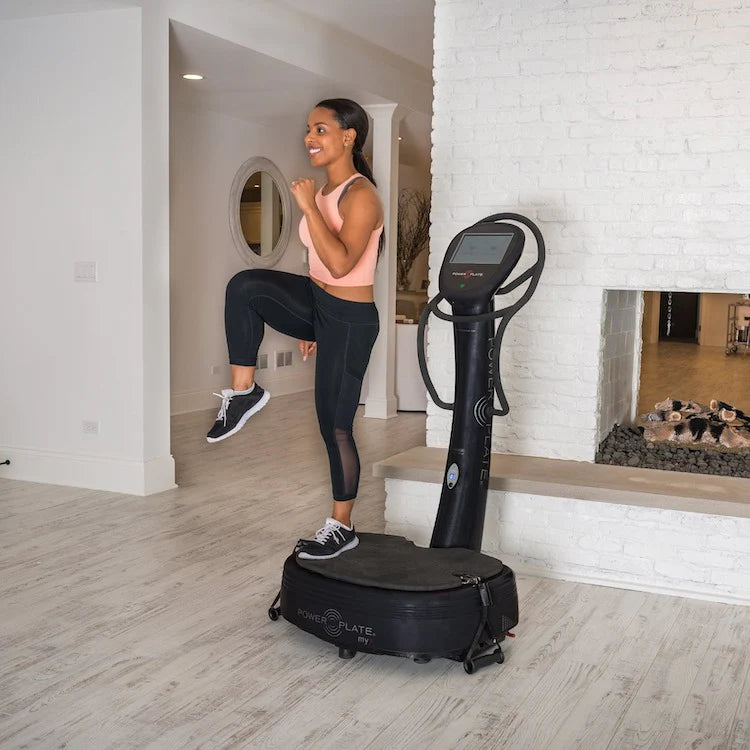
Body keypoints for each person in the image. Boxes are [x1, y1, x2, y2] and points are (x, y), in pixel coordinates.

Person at [206, 98, 384, 561]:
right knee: (244, 287)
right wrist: (306, 317)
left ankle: (341, 526)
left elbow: (343, 263)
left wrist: (308, 208)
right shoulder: (325, 191)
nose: (310, 137)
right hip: (320, 304)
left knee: (335, 427)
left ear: (349, 137)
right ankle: (244, 391)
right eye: (309, 128)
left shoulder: (361, 194)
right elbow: (317, 267)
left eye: (321, 129)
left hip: (349, 319)